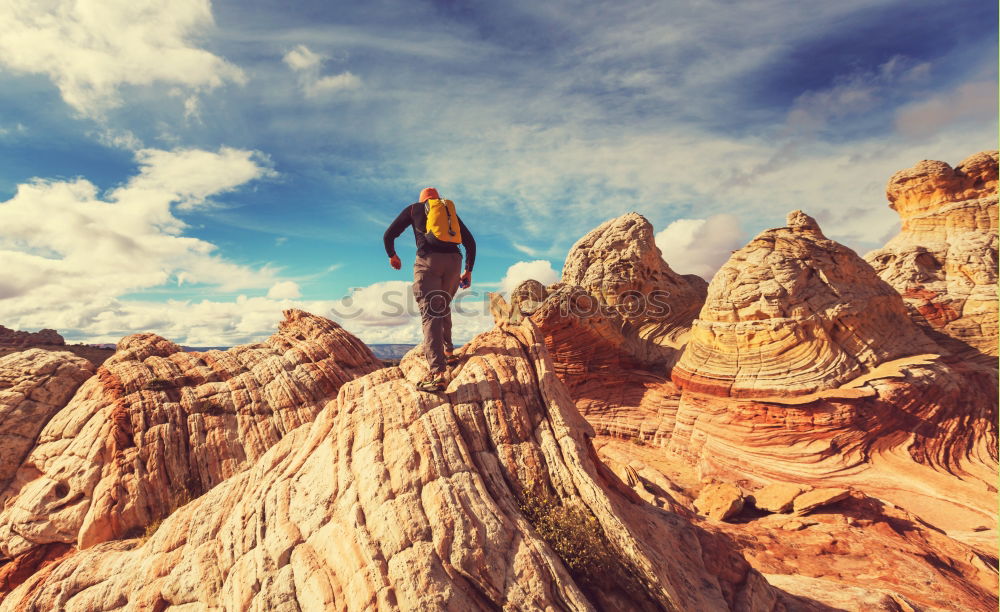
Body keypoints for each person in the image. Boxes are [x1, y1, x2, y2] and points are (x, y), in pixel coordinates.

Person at [383, 187, 476, 392]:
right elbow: (471, 243)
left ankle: (437, 373)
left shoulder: (415, 209)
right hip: (454, 261)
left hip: (429, 260)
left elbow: (389, 234)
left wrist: (393, 255)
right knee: (443, 306)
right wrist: (468, 271)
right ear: (437, 199)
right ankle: (449, 352)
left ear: (423, 200)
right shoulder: (450, 214)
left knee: (431, 312)